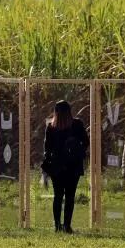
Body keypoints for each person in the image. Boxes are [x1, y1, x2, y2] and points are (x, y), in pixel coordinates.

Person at [42, 100, 89, 234]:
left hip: (57, 167)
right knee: (69, 197)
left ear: (55, 112)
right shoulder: (77, 124)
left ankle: (57, 226)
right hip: (73, 166)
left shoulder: (51, 127)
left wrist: (46, 167)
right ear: (69, 111)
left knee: (58, 196)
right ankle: (67, 226)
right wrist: (78, 151)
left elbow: (47, 149)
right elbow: (86, 142)